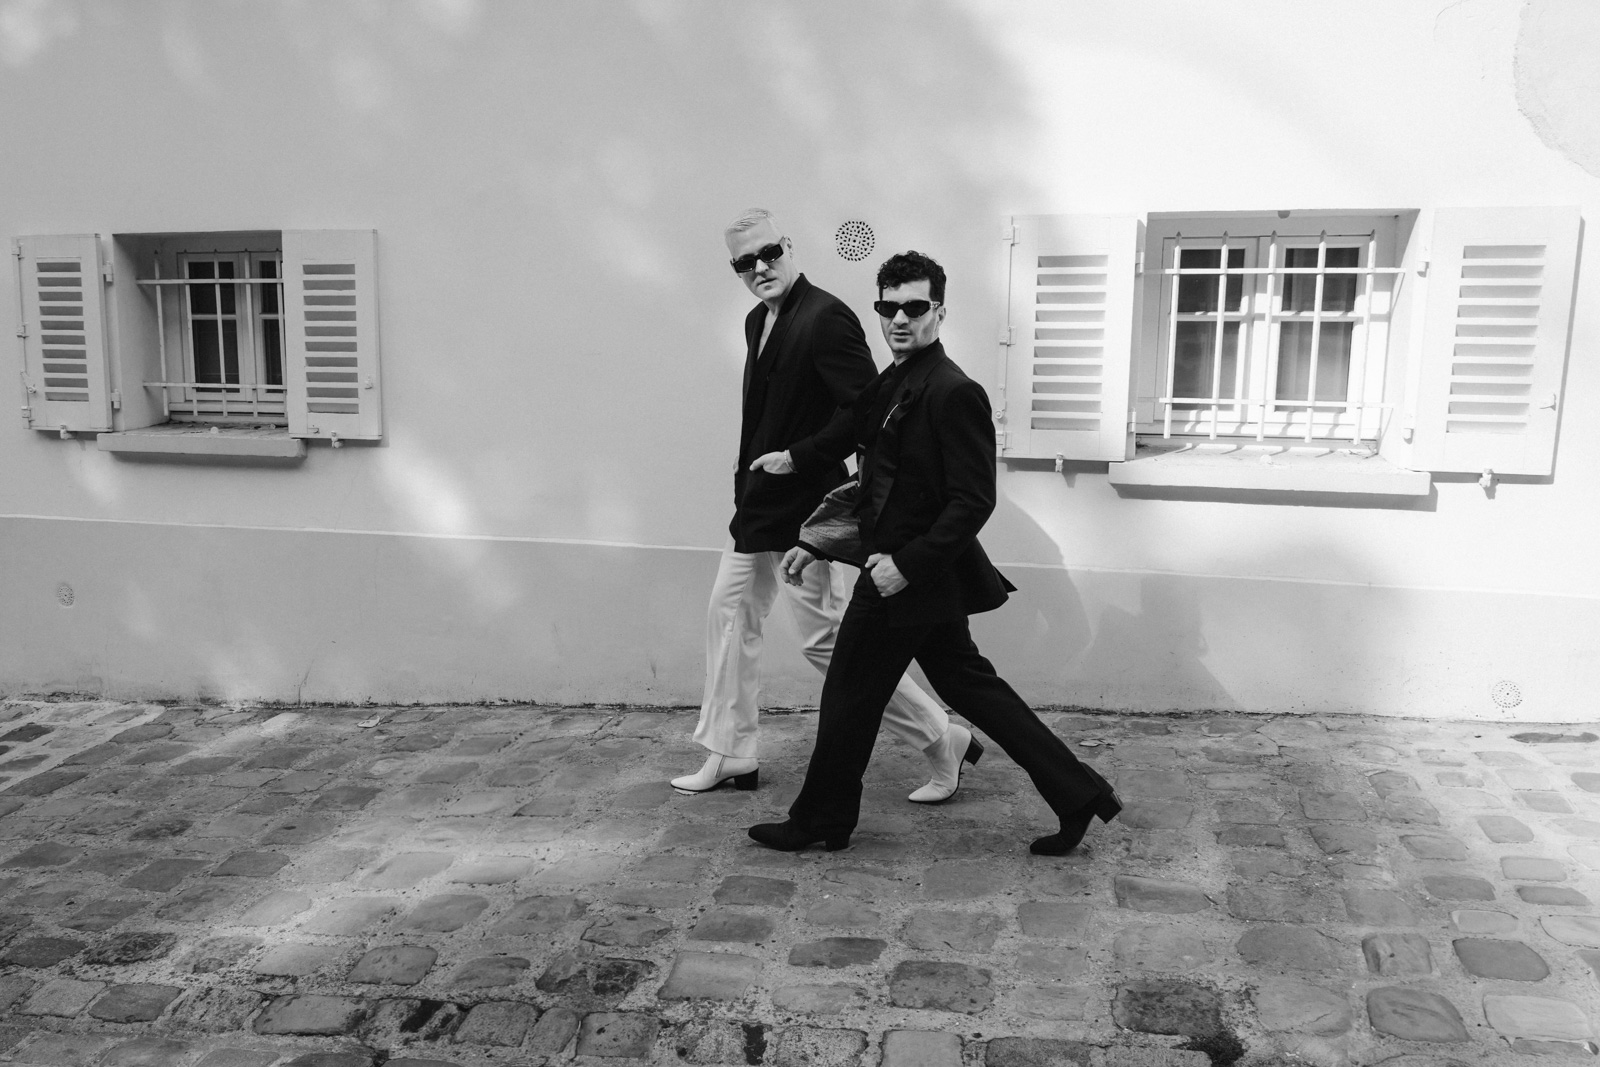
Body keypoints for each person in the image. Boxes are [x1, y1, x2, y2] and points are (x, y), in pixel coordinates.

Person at [747, 250, 1122, 855]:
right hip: (914, 576)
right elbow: (856, 450)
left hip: (905, 575)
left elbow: (973, 501)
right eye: (888, 307)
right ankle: (1078, 794)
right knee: (970, 686)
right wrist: (809, 516)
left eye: (915, 307)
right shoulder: (892, 382)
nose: (900, 319)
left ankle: (822, 819)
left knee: (848, 695)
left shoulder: (953, 391)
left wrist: (906, 566)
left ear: (939, 312)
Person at [671, 211, 982, 802]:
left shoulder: (826, 316)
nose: (760, 268)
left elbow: (866, 408)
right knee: (728, 616)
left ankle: (942, 737)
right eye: (745, 262)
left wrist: (799, 457)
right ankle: (731, 752)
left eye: (769, 253)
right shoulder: (756, 320)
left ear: (788, 247)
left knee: (826, 642)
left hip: (805, 510)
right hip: (757, 506)